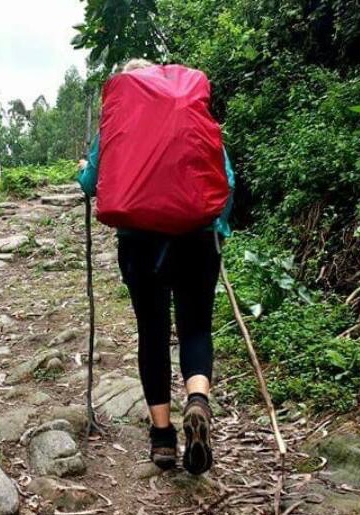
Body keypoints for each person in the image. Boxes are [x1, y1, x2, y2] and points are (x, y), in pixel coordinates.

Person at [78, 58, 235, 475]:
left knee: (153, 333)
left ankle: (163, 439)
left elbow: (92, 182)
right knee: (195, 328)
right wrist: (217, 226)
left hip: (139, 244)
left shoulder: (119, 120)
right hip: (198, 239)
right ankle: (197, 399)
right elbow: (226, 179)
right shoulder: (190, 113)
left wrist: (84, 172)